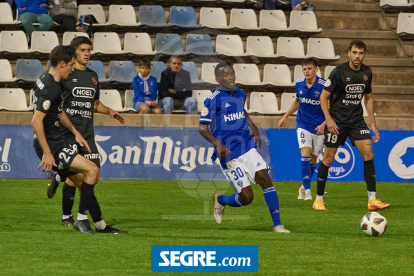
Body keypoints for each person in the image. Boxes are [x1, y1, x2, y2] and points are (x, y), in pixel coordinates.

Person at [32, 45, 123, 235]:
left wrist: (75, 131)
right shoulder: (52, 87)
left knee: (85, 178)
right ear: (62, 64)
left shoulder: (44, 80)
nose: (73, 69)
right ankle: (81, 219)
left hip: (57, 140)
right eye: (71, 65)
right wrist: (48, 153)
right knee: (92, 170)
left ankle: (99, 224)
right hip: (53, 145)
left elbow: (57, 112)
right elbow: (36, 120)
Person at [198, 62, 290, 233]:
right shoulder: (213, 100)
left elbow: (241, 111)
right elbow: (202, 127)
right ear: (218, 79)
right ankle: (221, 200)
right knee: (247, 198)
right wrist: (218, 144)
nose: (230, 76)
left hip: (247, 146)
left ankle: (278, 224)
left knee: (264, 177)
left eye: (232, 73)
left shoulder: (240, 93)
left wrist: (252, 125)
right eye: (225, 75)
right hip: (229, 153)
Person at [313, 40, 390, 211]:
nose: (357, 56)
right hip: (337, 122)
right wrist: (329, 120)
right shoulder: (338, 72)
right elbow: (323, 97)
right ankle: (318, 199)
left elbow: (368, 97)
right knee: (328, 159)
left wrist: (373, 124)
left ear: (364, 54)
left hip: (356, 121)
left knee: (369, 155)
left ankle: (372, 200)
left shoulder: (367, 72)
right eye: (355, 52)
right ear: (349, 53)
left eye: (361, 53)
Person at [278, 58, 326, 201]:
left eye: (309, 68)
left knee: (313, 160)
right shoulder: (299, 84)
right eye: (304, 69)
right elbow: (298, 101)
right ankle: (308, 191)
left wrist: (324, 123)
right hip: (303, 124)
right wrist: (285, 116)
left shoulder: (324, 86)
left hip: (318, 127)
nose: (306, 71)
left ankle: (303, 187)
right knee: (305, 155)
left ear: (316, 69)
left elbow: (331, 107)